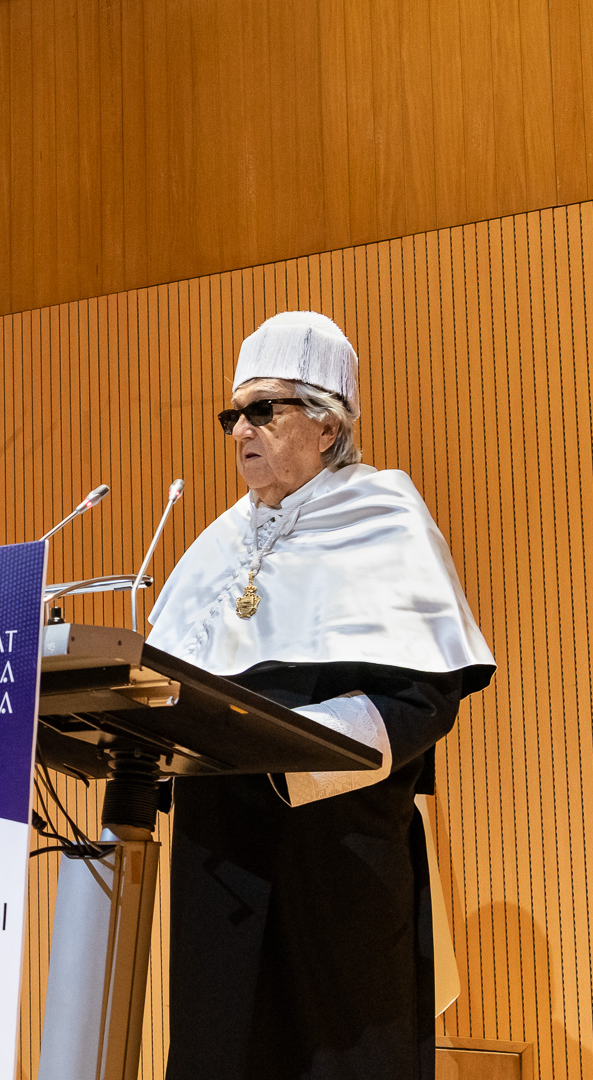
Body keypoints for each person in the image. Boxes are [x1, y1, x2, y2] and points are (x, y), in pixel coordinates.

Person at [147, 311, 496, 1080]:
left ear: (328, 425)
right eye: (233, 414)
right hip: (219, 856)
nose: (242, 430)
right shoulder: (214, 544)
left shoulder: (387, 520)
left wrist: (294, 750)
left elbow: (425, 699)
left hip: (339, 853)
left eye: (264, 410)